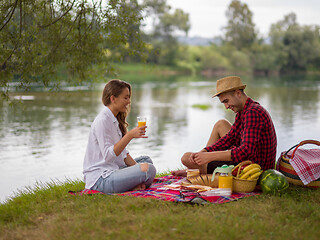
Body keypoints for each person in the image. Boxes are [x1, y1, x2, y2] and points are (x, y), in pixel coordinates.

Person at [172, 76, 277, 176]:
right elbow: (229, 139)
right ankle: (200, 167)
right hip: (249, 162)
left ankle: (197, 170)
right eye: (223, 103)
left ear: (238, 93)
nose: (226, 107)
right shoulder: (244, 111)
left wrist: (210, 157)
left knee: (185, 158)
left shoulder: (253, 112)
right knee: (221, 124)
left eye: (226, 101)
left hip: (254, 170)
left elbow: (246, 151)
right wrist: (204, 152)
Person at [83, 79, 156, 193]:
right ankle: (134, 184)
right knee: (149, 169)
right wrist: (130, 135)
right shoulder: (103, 121)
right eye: (125, 98)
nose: (128, 102)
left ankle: (134, 183)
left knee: (146, 160)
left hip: (113, 169)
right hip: (101, 179)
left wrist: (137, 168)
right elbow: (108, 156)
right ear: (113, 99)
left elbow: (123, 154)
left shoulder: (113, 118)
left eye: (129, 97)